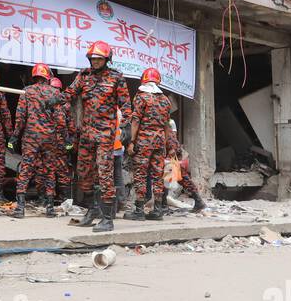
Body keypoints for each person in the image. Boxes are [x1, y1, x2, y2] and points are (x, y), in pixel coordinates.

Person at [66, 40, 131, 233]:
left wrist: (126, 125)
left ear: (106, 59)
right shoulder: (83, 76)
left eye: (98, 59)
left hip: (105, 134)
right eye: (92, 59)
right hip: (86, 134)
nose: (95, 62)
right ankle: (92, 210)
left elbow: (126, 103)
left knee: (104, 174)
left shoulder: (116, 77)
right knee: (84, 173)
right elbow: (70, 93)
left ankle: (107, 218)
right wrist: (52, 99)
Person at [9, 64, 62, 218]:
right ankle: (50, 208)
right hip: (49, 137)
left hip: (31, 136)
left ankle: (20, 207)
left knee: (26, 168)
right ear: (47, 76)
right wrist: (65, 138)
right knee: (50, 170)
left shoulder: (27, 91)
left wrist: (14, 137)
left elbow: (20, 116)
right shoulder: (54, 92)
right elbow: (60, 118)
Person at [127, 68, 172, 221]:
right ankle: (158, 210)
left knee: (140, 174)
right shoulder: (165, 100)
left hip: (143, 141)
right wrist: (165, 144)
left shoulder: (141, 97)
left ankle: (139, 211)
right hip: (160, 142)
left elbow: (135, 121)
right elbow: (167, 125)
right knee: (158, 175)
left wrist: (132, 141)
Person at [166, 119, 206, 212]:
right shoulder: (165, 119)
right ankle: (199, 201)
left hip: (171, 149)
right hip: (171, 149)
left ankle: (199, 201)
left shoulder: (168, 121)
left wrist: (171, 149)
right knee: (175, 178)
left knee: (178, 177)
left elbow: (172, 135)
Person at [49, 76, 73, 202]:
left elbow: (64, 123)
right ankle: (62, 197)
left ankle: (51, 197)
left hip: (53, 141)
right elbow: (71, 125)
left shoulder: (50, 103)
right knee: (61, 168)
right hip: (60, 141)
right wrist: (70, 140)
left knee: (49, 167)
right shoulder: (65, 105)